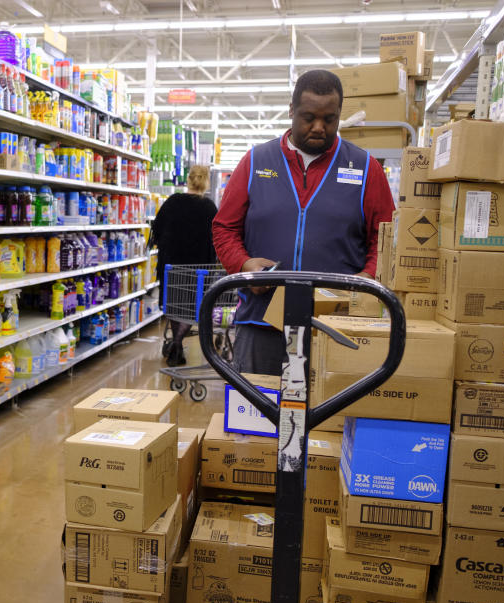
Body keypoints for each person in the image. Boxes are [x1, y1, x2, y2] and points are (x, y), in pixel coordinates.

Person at [212, 69, 395, 375]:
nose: (319, 128)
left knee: (331, 421)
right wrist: (244, 265)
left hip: (336, 329)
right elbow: (224, 228)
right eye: (309, 117)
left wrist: (365, 279)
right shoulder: (256, 162)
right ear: (291, 111)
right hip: (261, 324)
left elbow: (386, 239)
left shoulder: (366, 169)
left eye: (330, 119)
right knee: (257, 417)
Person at [152, 164, 218, 366]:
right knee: (192, 307)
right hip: (199, 269)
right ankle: (177, 342)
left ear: (188, 179)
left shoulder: (172, 202)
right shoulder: (210, 208)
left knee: (174, 304)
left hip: (172, 266)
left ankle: (176, 344)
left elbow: (157, 230)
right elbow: (217, 238)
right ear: (207, 182)